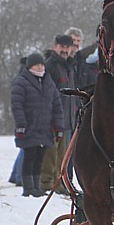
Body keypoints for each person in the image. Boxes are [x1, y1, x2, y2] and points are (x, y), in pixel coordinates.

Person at [10, 52, 64, 198]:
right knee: (30, 156)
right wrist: (21, 124)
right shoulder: (21, 82)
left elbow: (57, 105)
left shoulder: (48, 81)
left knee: (40, 157)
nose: (40, 67)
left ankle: (36, 185)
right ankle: (28, 187)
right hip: (29, 127)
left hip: (45, 128)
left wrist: (58, 126)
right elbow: (17, 105)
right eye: (36, 64)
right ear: (30, 66)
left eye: (41, 64)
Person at [41, 34, 75, 194]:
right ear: (55, 46)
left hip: (67, 117)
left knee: (63, 154)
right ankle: (46, 182)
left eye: (67, 47)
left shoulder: (69, 65)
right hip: (53, 117)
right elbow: (47, 94)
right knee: (51, 151)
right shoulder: (51, 65)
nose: (65, 50)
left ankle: (58, 183)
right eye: (62, 46)